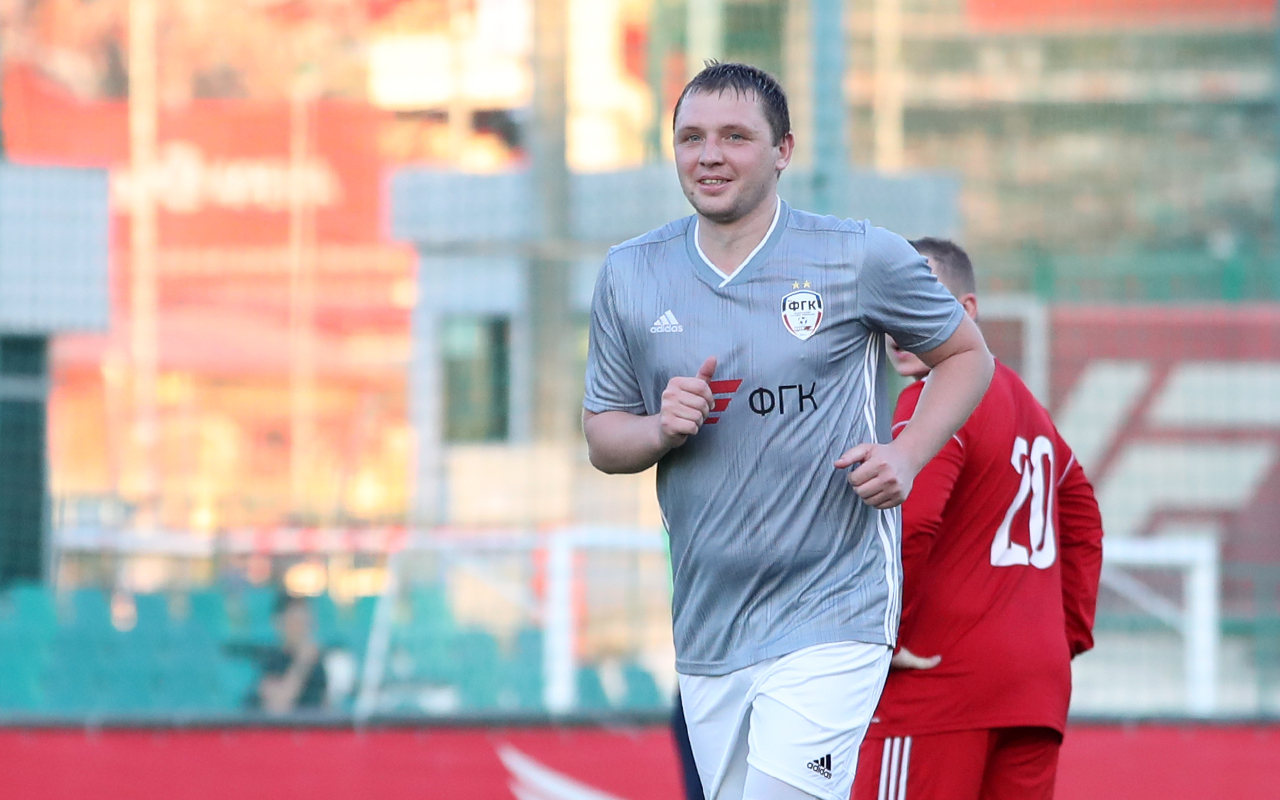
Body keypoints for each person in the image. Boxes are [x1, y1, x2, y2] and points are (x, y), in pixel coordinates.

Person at [582, 62, 994, 800]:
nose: (709, 156)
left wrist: (907, 454)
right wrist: (660, 430)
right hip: (711, 624)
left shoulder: (857, 255)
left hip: (835, 605)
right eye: (691, 138)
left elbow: (968, 355)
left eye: (735, 137)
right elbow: (603, 437)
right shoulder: (629, 274)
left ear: (783, 151)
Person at [851, 238, 1105, 800]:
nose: (899, 327)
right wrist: (1062, 635)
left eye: (919, 302)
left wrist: (885, 637)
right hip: (1034, 689)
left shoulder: (933, 401)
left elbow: (911, 524)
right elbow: (1083, 514)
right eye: (891, 308)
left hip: (940, 681)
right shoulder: (1026, 404)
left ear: (966, 310)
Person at [253, 593, 327, 713]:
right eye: (296, 622)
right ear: (280, 622)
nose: (302, 629)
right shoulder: (270, 660)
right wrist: (302, 663)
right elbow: (276, 707)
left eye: (306, 622)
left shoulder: (318, 663)